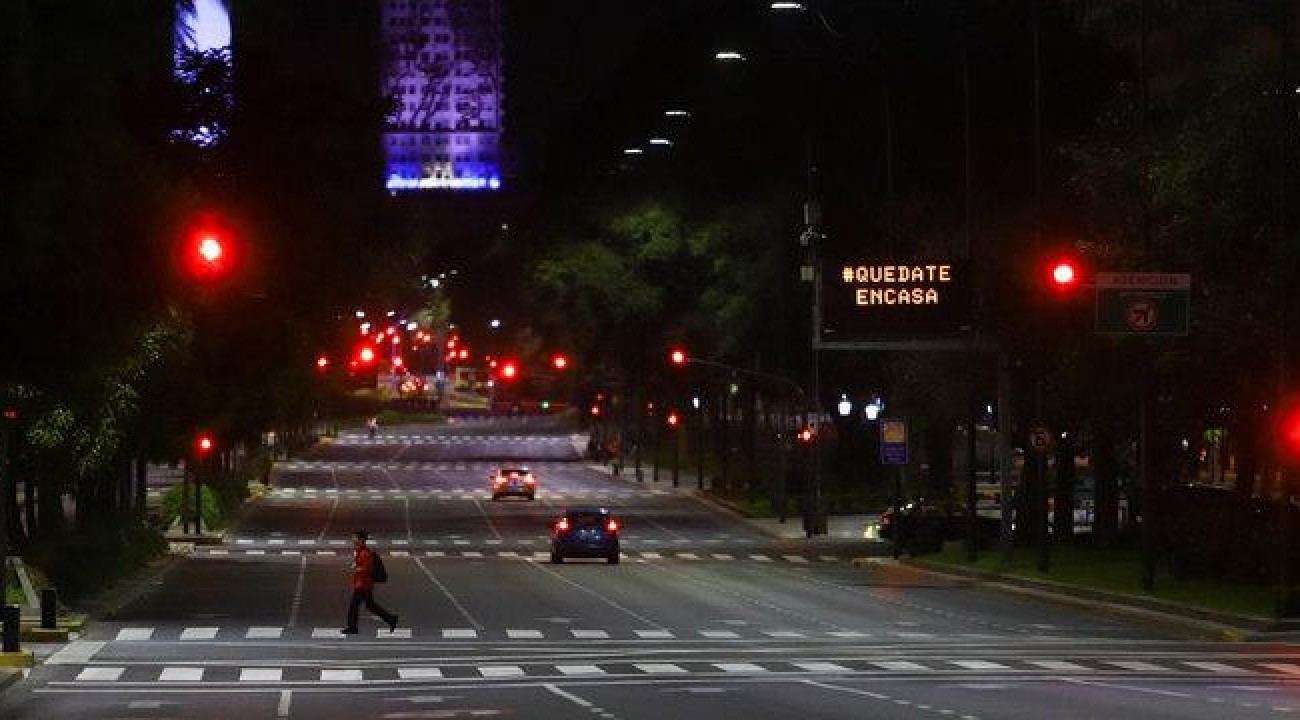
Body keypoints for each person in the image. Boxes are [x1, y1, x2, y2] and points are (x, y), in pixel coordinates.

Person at [342, 530, 398, 635]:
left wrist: (357, 568)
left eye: (355, 538)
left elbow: (367, 568)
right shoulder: (360, 551)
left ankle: (352, 627)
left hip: (363, 584)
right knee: (370, 606)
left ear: (361, 540)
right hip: (362, 583)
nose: (353, 540)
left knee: (354, 605)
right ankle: (391, 619)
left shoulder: (365, 553)